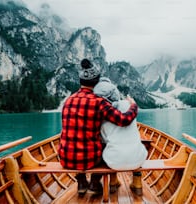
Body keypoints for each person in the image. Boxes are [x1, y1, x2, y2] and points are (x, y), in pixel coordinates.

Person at [58, 59, 138, 195]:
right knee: (107, 146)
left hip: (65, 158)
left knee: (71, 139)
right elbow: (124, 120)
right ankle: (95, 183)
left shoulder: (68, 100)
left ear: (80, 81)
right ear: (97, 83)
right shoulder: (99, 102)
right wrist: (133, 105)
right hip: (90, 159)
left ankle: (82, 182)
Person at [94, 77, 148, 195]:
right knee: (136, 144)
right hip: (138, 159)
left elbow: (102, 140)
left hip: (113, 162)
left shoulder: (101, 112)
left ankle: (113, 182)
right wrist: (133, 104)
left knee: (106, 147)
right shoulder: (128, 105)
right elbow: (127, 120)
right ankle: (137, 182)